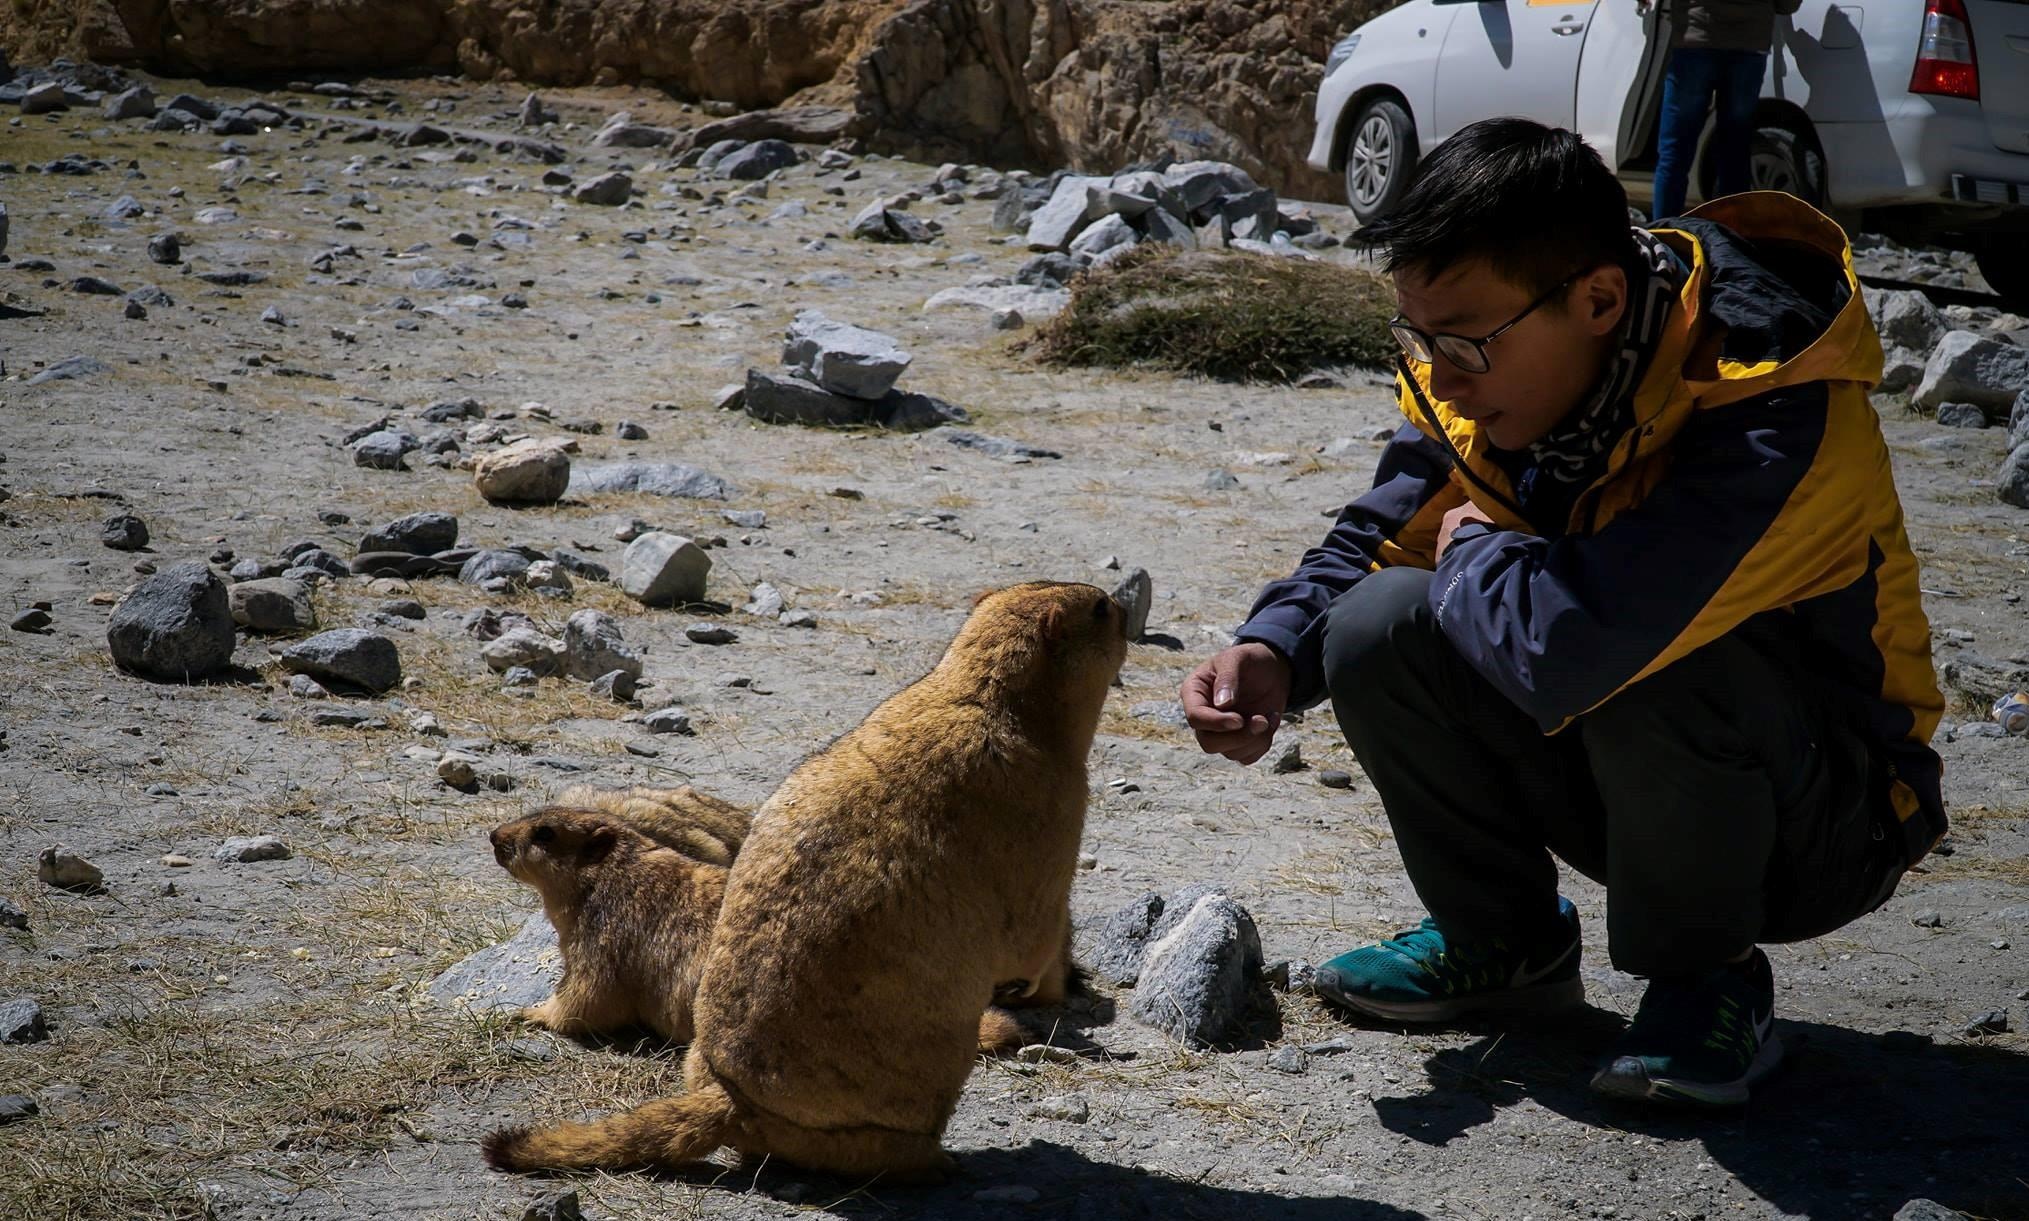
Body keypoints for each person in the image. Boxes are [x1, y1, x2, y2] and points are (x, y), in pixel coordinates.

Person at [1181, 117, 1944, 1108]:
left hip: (1828, 819)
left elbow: (1578, 646)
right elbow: (1385, 541)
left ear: (1597, 299)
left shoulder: (1773, 409)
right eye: (1419, 338)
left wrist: (1477, 556)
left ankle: (1707, 978)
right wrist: (1274, 646)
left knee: (1645, 648)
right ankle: (1501, 945)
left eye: (1461, 343)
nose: (1441, 378)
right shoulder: (1503, 369)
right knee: (1374, 625)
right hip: (1639, 770)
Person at [1649, 0, 1802, 221]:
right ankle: (1730, 240)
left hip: (1696, 39)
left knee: (1675, 153)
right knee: (1734, 152)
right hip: (1749, 46)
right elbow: (1788, 4)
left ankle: (1663, 238)